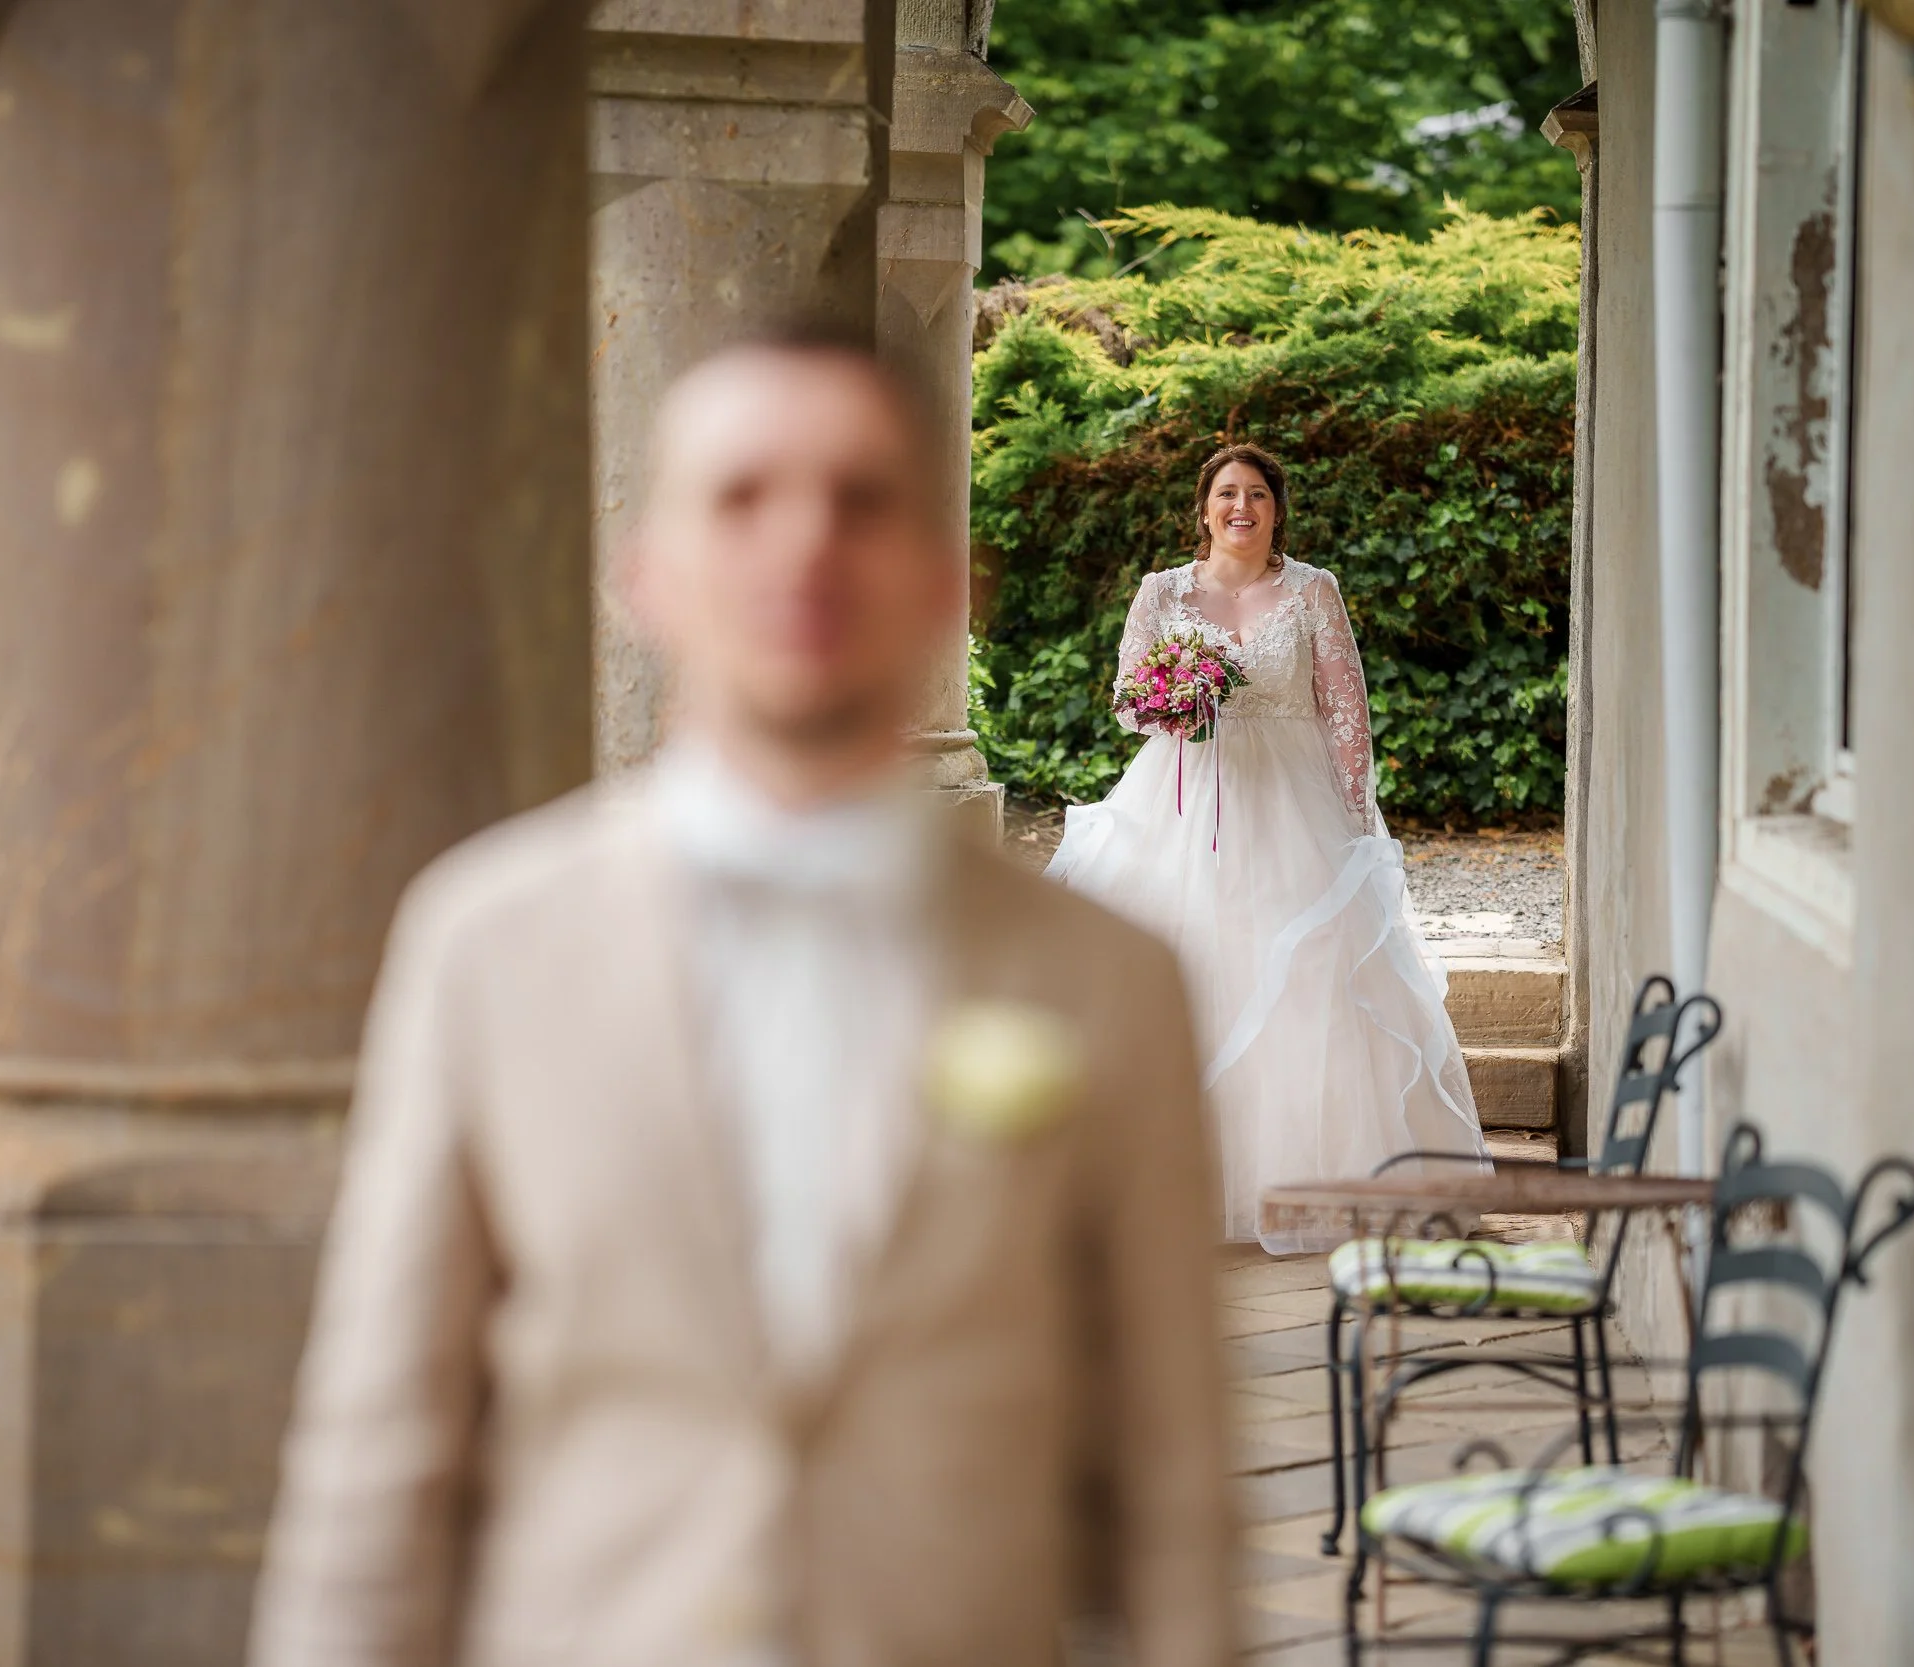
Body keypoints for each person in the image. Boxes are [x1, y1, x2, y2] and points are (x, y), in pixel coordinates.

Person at [250, 330, 1234, 1667]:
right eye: (741, 496)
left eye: (862, 499)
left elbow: (1175, 1489)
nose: (805, 542)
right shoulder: (485, 944)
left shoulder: (1110, 977)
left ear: (948, 583)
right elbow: (378, 1447)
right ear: (644, 573)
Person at [1045, 445, 1487, 1246]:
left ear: (1278, 510)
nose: (1240, 507)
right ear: (1204, 508)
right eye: (1226, 493)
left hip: (1294, 805)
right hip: (1183, 802)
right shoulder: (1161, 591)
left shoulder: (1314, 589)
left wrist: (1356, 819)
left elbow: (1345, 709)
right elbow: (1126, 700)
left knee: (1310, 979)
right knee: (1187, 965)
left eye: (1257, 494)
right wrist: (1171, 698)